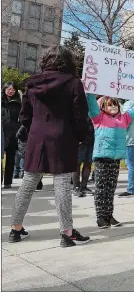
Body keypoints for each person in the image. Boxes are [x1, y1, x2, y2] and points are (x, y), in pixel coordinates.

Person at [9, 45, 91, 247]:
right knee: (62, 183)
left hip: (37, 137)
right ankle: (66, 232)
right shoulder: (73, 83)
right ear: (68, 61)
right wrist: (81, 135)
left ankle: (15, 228)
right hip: (63, 136)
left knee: (28, 183)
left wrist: (34, 130)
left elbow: (24, 116)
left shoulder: (31, 84)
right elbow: (80, 115)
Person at [87, 94, 134, 228]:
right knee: (101, 188)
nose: (113, 106)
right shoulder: (99, 118)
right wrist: (88, 92)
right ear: (103, 106)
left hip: (115, 159)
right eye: (109, 104)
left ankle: (109, 215)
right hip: (102, 158)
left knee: (111, 188)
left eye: (115, 104)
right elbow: (91, 104)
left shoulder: (123, 118)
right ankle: (101, 217)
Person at [1, 82, 22, 188]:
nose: (10, 91)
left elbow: (22, 118)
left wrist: (18, 129)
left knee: (10, 158)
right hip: (1, 132)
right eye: (8, 89)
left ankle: (8, 181)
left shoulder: (18, 102)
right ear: (4, 89)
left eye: (13, 89)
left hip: (13, 133)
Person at [72, 115, 95, 197]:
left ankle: (84, 187)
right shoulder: (79, 106)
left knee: (88, 164)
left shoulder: (96, 106)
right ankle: (76, 187)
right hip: (81, 140)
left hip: (92, 139)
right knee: (77, 164)